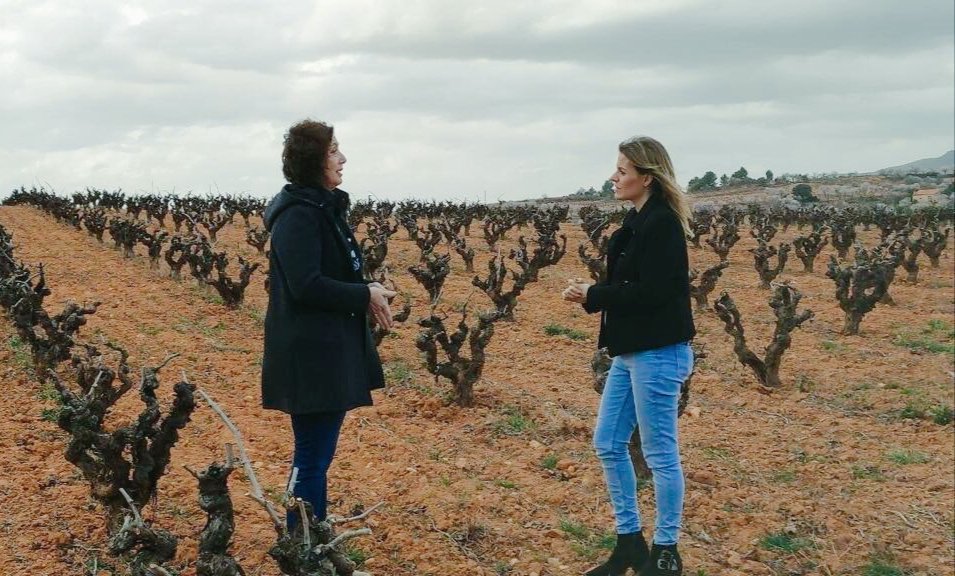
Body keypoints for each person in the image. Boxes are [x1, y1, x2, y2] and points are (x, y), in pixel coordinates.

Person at [563, 136, 696, 576]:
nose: (613, 177)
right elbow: (631, 287)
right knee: (607, 443)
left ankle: (666, 551)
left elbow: (656, 292)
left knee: (660, 455)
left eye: (621, 170)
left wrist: (595, 294)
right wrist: (593, 294)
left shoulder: (662, 224)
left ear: (647, 176)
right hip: (631, 351)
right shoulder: (638, 222)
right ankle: (629, 544)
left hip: (658, 353)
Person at [261, 119, 395, 530]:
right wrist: (363, 295)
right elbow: (305, 286)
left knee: (316, 456)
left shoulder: (321, 207)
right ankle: (304, 543)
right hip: (311, 354)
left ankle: (306, 535)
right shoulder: (299, 216)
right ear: (313, 160)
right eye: (334, 150)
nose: (342, 158)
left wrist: (366, 288)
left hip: (325, 348)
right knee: (312, 457)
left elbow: (326, 275)